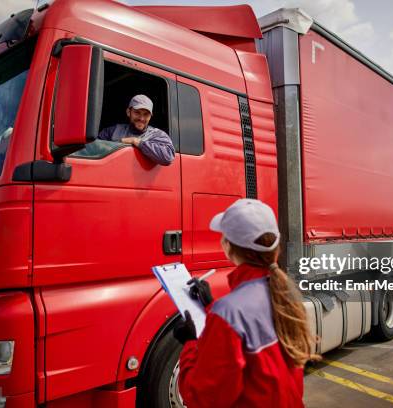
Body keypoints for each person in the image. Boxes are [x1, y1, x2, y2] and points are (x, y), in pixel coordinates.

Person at [174, 198, 320, 408]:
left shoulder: (229, 313)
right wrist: (210, 306)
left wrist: (190, 342)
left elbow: (203, 398)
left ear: (228, 246)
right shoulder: (282, 292)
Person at [98, 94, 174, 165]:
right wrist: (117, 143)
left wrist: (136, 141)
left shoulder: (156, 134)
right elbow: (93, 148)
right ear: (128, 112)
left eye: (146, 114)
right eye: (137, 112)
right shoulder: (113, 131)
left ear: (151, 116)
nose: (141, 118)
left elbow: (168, 156)